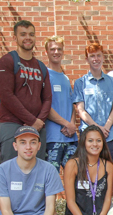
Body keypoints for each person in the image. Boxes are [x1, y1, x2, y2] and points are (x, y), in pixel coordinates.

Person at [0, 20, 51, 163]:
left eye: (31, 34)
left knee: (37, 176)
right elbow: (6, 96)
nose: (28, 38)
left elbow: (47, 99)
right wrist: (32, 120)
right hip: (12, 125)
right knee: (10, 173)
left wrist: (38, 122)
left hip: (37, 128)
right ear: (15, 37)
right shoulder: (6, 61)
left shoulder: (41, 67)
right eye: (23, 34)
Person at [64, 125, 113, 215]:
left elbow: (108, 199)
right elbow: (70, 202)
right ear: (83, 143)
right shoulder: (73, 164)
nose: (95, 144)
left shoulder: (108, 165)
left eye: (98, 140)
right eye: (90, 140)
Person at [73, 43, 113, 169]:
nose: (96, 59)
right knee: (88, 170)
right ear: (87, 59)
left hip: (109, 134)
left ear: (103, 57)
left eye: (98, 55)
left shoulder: (112, 82)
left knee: (111, 171)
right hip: (88, 136)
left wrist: (105, 127)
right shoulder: (80, 83)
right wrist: (97, 128)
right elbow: (81, 110)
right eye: (92, 56)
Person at [44, 35, 78, 172]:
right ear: (46, 52)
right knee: (51, 179)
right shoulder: (45, 75)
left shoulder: (65, 77)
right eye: (52, 49)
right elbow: (45, 106)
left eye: (59, 49)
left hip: (70, 138)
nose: (56, 52)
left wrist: (72, 124)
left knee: (75, 179)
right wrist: (66, 124)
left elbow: (72, 105)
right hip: (53, 139)